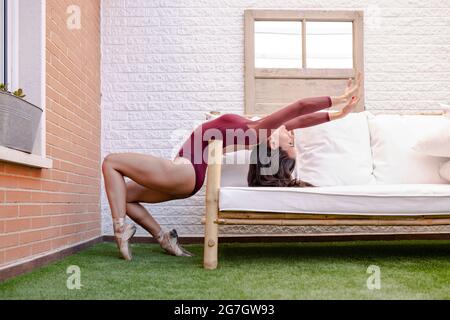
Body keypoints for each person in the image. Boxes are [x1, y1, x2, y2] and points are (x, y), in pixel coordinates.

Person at [102, 73, 363, 260]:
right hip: (188, 177)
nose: (292, 133)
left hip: (185, 171)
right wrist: (339, 114)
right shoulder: (263, 130)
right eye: (292, 136)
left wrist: (340, 97)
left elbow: (299, 107)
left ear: (274, 145)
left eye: (291, 140)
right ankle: (164, 238)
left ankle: (120, 228)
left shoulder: (260, 131)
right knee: (123, 194)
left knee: (111, 162)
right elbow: (303, 118)